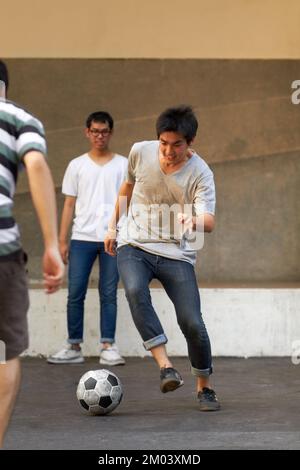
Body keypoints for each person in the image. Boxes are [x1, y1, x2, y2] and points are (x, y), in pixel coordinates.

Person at [104, 105, 220, 411]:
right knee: (133, 290)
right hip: (135, 242)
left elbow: (209, 221)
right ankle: (166, 367)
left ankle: (204, 387)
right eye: (164, 143)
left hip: (176, 252)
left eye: (177, 145)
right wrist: (112, 226)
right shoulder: (140, 152)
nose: (168, 151)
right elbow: (126, 188)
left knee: (192, 322)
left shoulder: (201, 173)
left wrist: (191, 220)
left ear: (190, 142)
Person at [0, 60, 64, 447]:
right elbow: (37, 164)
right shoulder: (18, 118)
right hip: (1, 254)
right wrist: (52, 245)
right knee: (4, 354)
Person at [47, 111, 127, 366]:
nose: (99, 136)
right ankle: (73, 346)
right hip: (81, 237)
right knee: (75, 293)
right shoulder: (76, 165)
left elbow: (128, 203)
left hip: (113, 237)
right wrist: (61, 241)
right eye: (95, 131)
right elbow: (69, 204)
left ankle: (108, 345)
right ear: (87, 132)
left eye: (104, 131)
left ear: (111, 133)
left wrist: (125, 233)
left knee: (109, 293)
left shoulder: (123, 165)